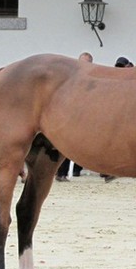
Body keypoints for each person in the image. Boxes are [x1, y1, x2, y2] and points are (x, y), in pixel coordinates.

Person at [55, 52, 93, 181]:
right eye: (80, 62)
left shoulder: (92, 78)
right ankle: (61, 173)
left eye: (85, 62)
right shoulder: (70, 77)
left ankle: (76, 169)